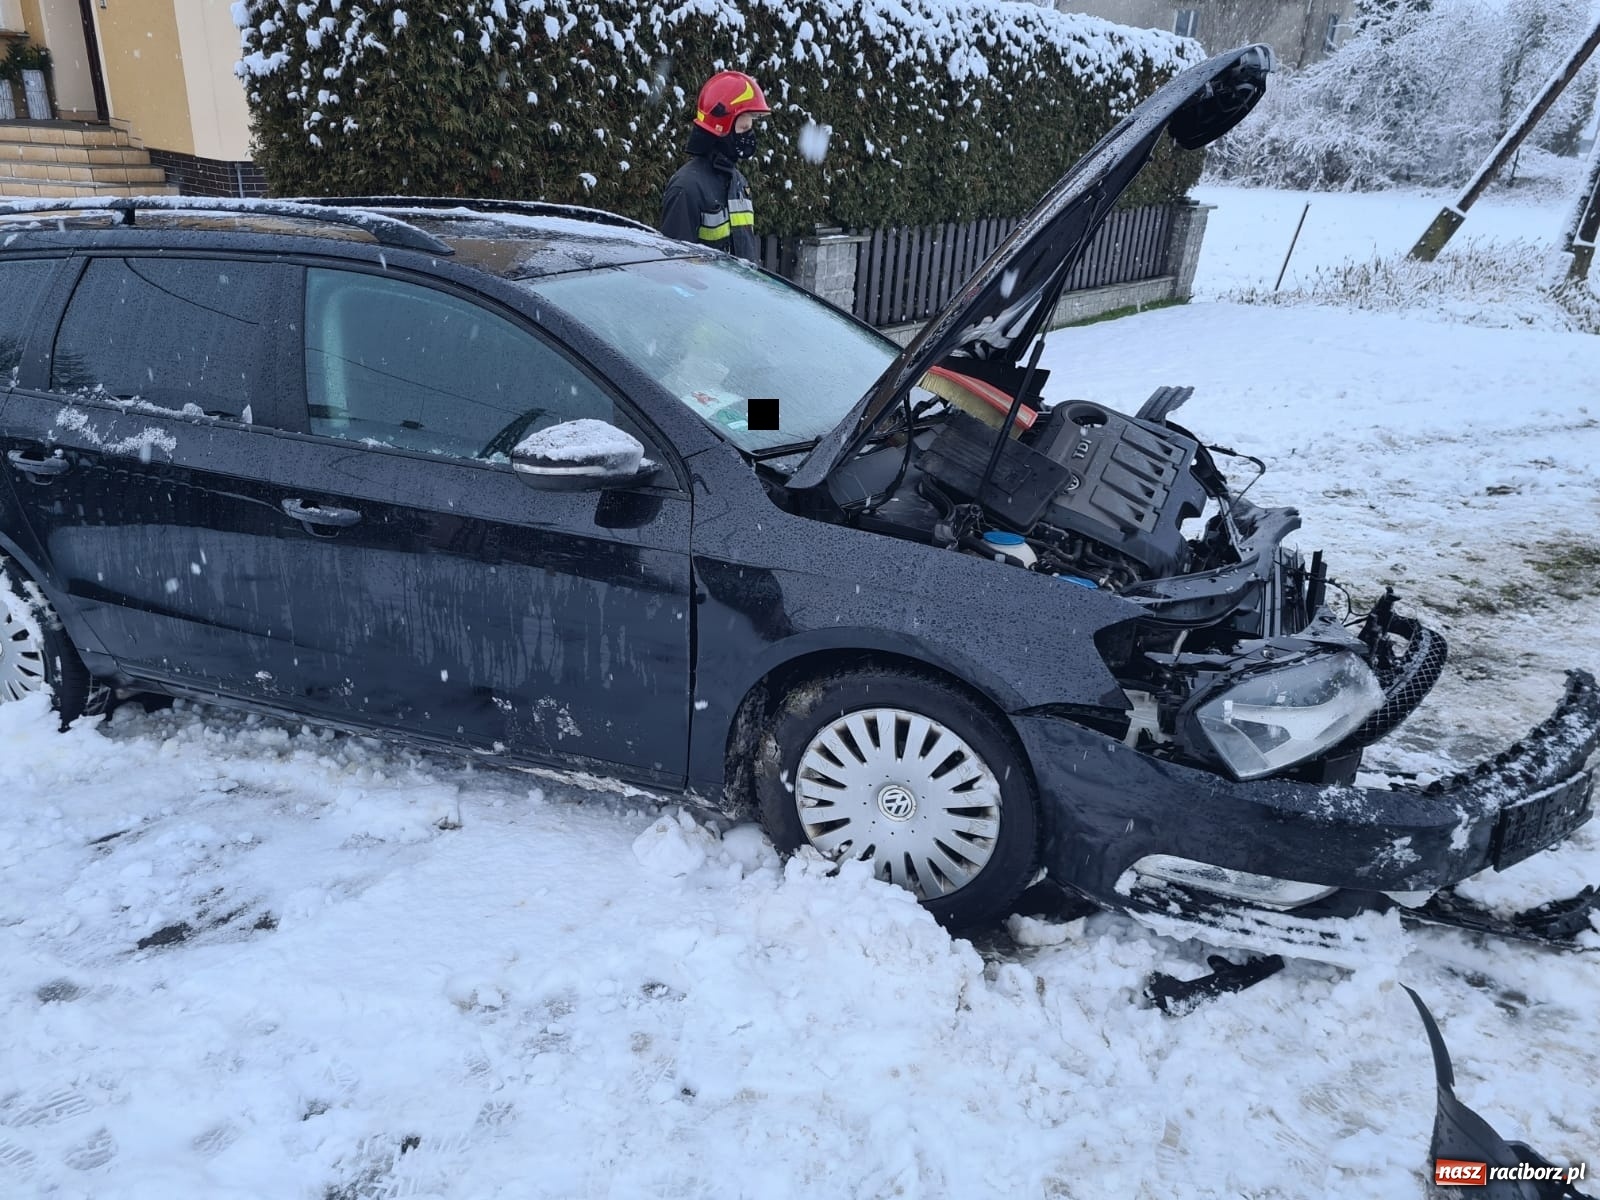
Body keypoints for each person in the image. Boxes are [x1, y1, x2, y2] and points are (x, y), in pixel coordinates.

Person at [659, 70, 770, 262]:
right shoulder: (686, 189)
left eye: (750, 129)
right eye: (744, 129)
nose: (749, 136)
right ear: (722, 126)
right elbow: (675, 268)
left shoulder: (738, 182)